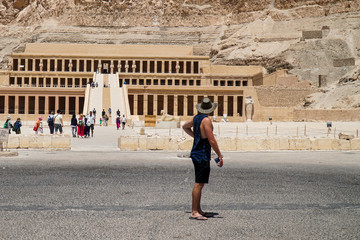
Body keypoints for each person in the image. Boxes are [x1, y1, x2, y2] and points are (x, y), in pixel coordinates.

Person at [182, 97, 223, 221]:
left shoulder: (195, 118)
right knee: (199, 184)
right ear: (210, 109)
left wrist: (196, 137)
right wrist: (219, 155)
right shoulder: (206, 120)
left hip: (196, 153)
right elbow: (211, 140)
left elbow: (185, 126)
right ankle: (194, 212)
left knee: (200, 183)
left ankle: (198, 209)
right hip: (202, 155)